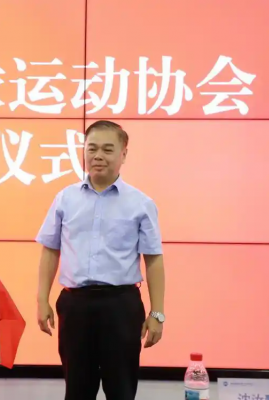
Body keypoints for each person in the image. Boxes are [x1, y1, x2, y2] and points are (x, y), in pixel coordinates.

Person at [35, 120, 165, 400]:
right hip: (75, 306)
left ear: (123, 154)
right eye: (91, 148)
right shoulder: (65, 198)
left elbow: (154, 260)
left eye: (107, 149)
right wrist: (41, 300)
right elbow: (50, 250)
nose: (98, 156)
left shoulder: (141, 203)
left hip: (121, 306)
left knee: (121, 391)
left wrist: (157, 313)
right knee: (77, 390)